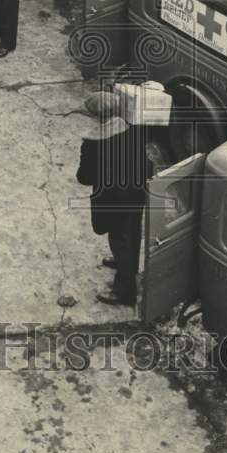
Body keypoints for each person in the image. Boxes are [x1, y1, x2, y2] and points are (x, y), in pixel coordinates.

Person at [76, 92, 149, 306]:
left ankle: (124, 293)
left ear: (96, 116)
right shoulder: (133, 129)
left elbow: (84, 177)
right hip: (136, 192)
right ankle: (124, 264)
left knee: (120, 240)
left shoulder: (92, 143)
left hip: (113, 200)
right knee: (131, 233)